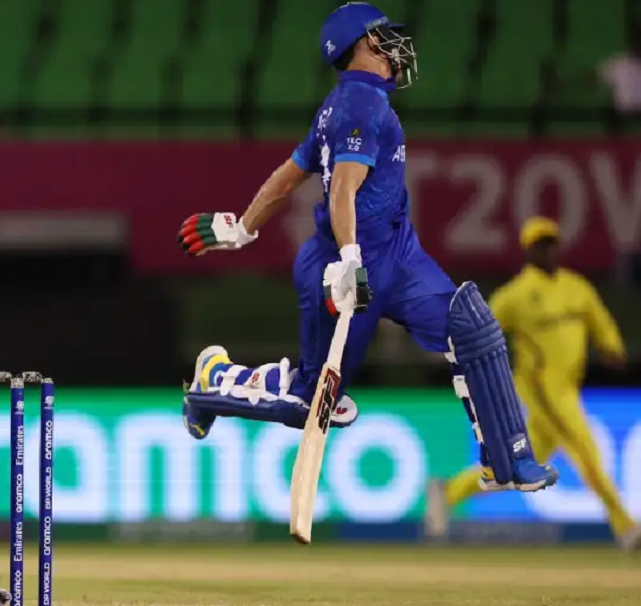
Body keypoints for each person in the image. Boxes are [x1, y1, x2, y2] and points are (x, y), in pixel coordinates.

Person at [176, 3, 558, 494]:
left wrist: (243, 228)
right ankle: (213, 381)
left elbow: (290, 174)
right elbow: (341, 190)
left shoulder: (346, 103)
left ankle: (508, 461)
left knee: (471, 327)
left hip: (397, 255)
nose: (395, 47)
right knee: (311, 403)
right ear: (361, 45)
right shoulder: (360, 106)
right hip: (342, 266)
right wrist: (349, 260)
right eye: (382, 37)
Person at [425, 217, 640, 551]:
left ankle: (448, 491)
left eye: (552, 243)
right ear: (529, 251)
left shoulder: (576, 287)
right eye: (541, 245)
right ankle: (626, 527)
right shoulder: (518, 294)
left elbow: (600, 321)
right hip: (542, 391)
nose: (548, 251)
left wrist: (612, 346)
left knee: (514, 468)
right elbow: (479, 328)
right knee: (587, 453)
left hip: (568, 387)